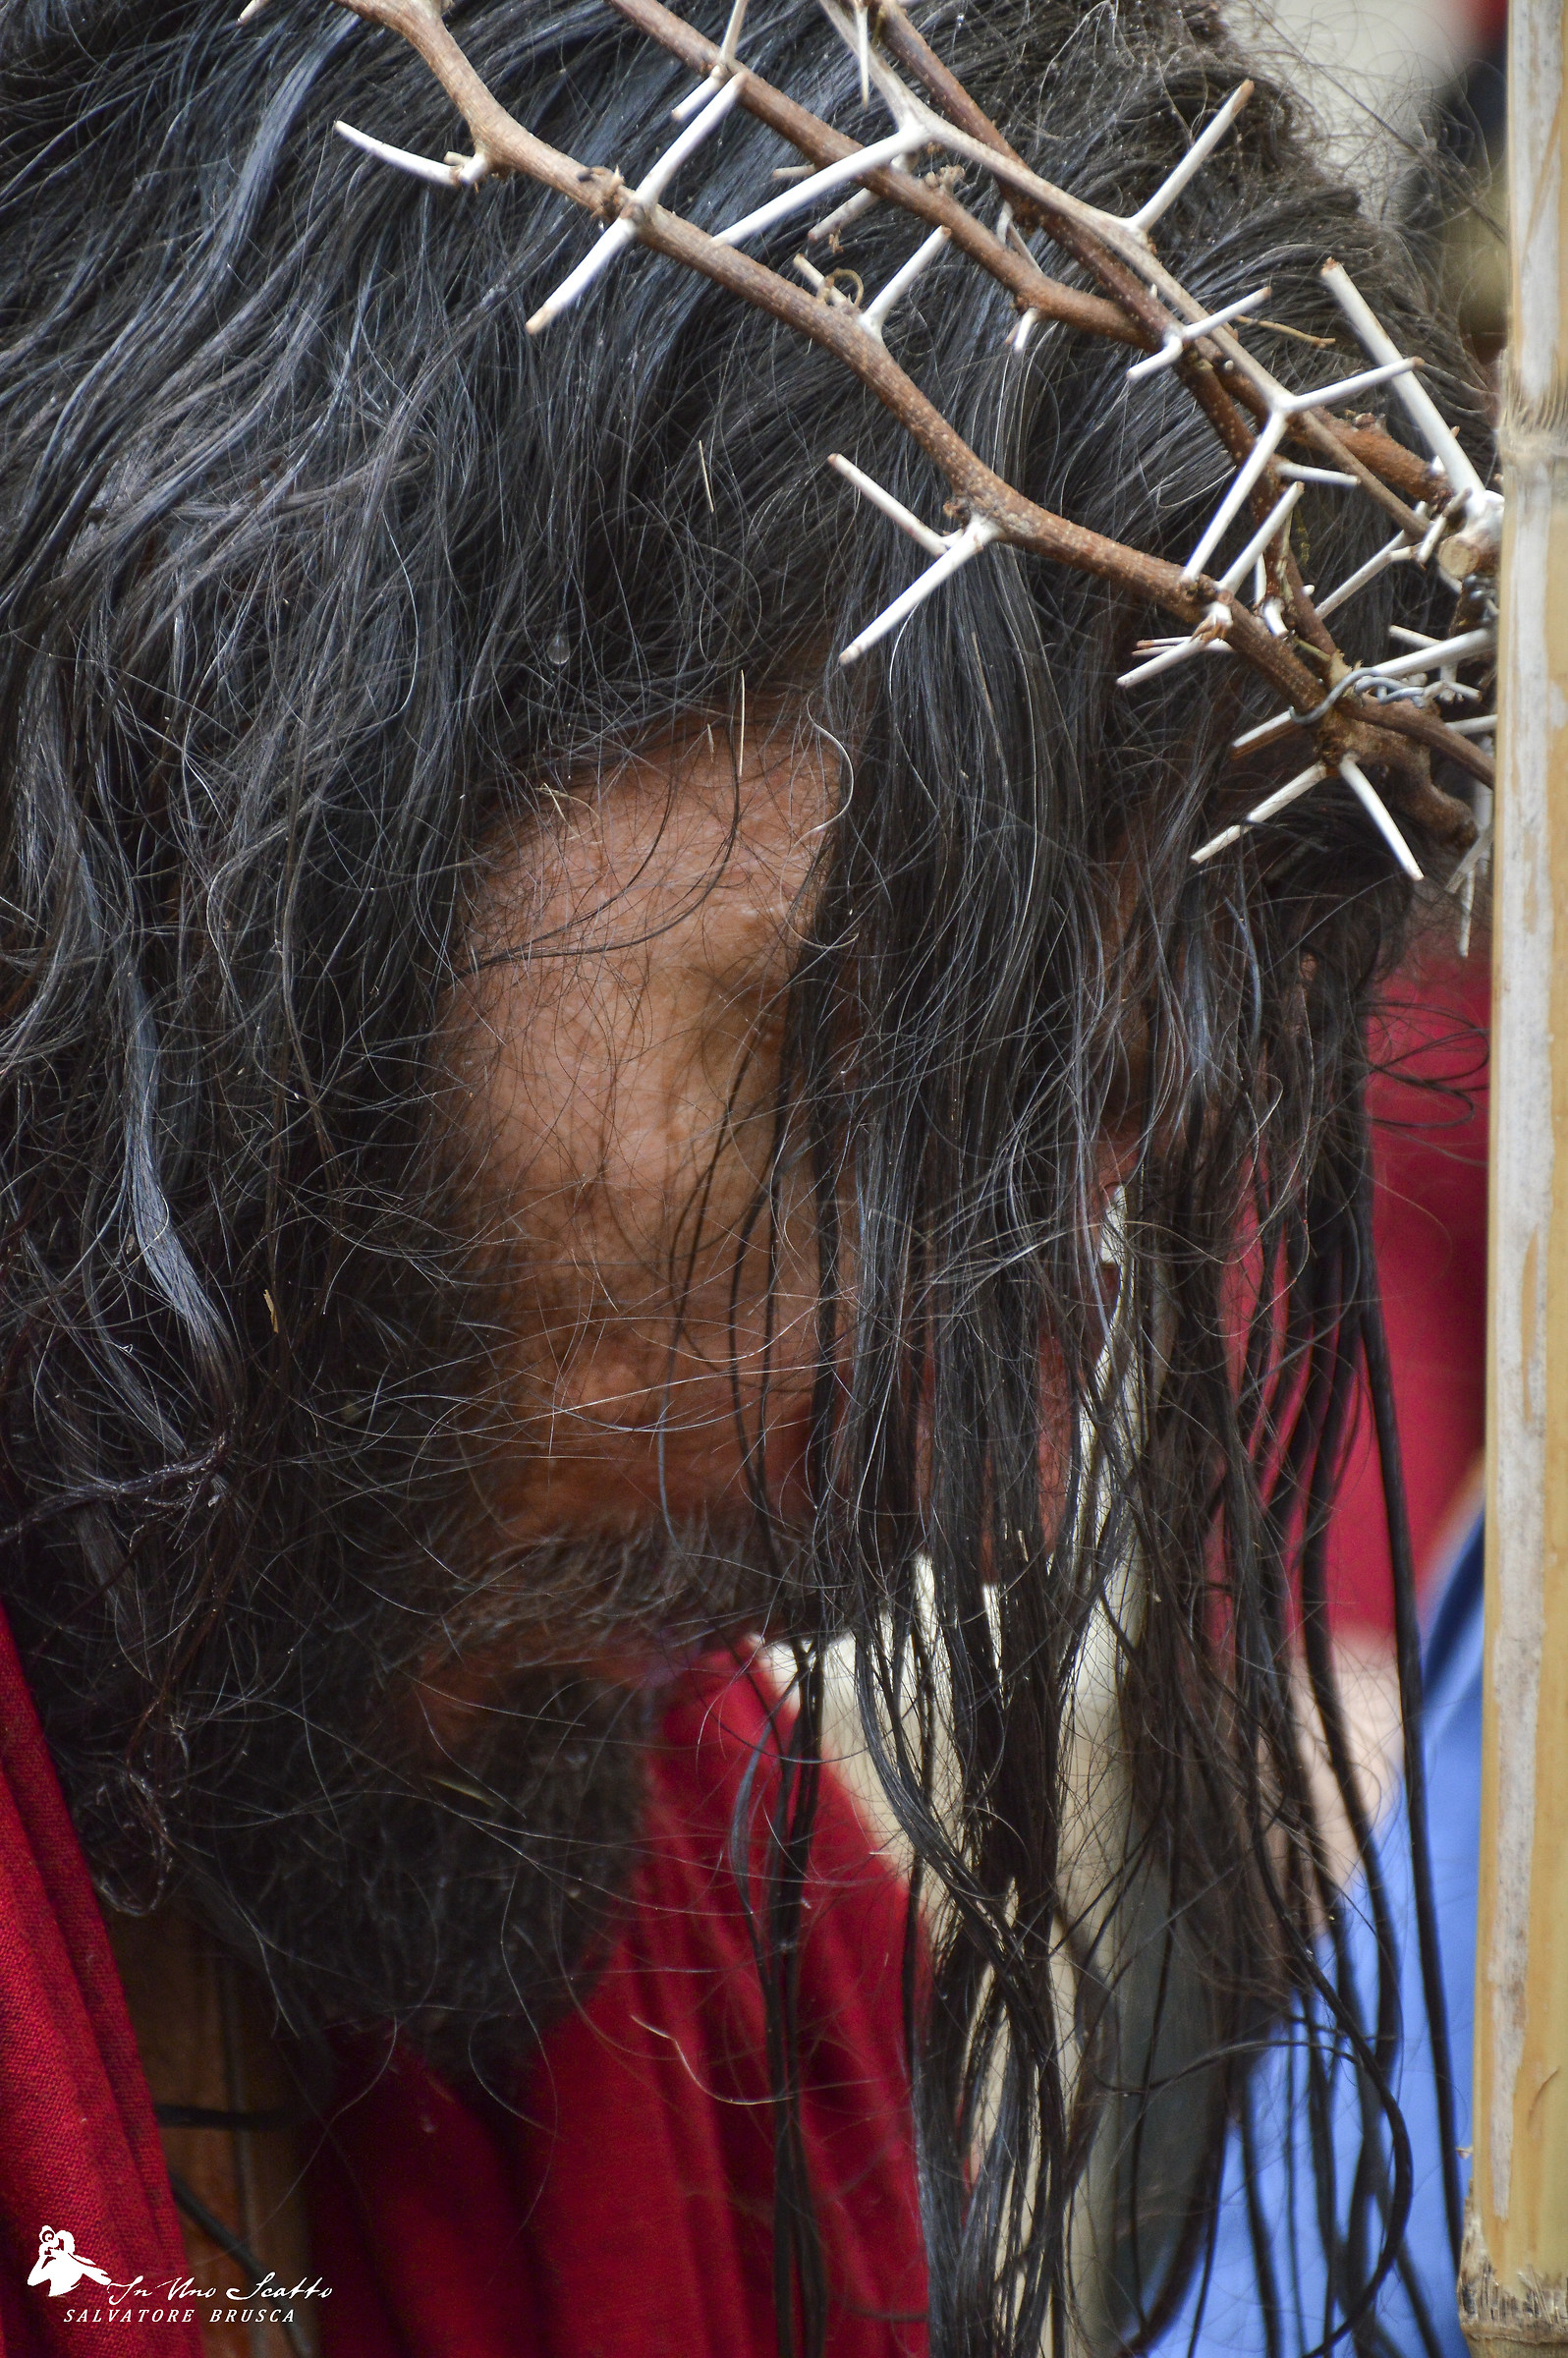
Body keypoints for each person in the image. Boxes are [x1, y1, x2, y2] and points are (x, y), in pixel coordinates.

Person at [0, 0, 1488, 2351]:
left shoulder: (750, 1982)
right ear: (248, 787)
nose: (981, 1492)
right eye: (859, 1098)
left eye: (1073, 1193)